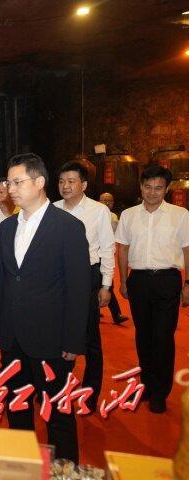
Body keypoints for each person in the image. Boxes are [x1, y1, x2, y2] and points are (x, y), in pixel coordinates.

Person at [0, 153, 90, 463]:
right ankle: (22, 466)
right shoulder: (7, 227)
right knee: (16, 406)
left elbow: (78, 289)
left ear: (39, 182)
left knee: (58, 413)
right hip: (13, 339)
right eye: (9, 183)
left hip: (51, 340)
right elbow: (2, 281)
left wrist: (73, 340)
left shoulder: (68, 227)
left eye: (17, 182)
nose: (10, 189)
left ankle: (64, 470)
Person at [116, 164, 189, 414]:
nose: (152, 192)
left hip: (168, 280)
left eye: (158, 188)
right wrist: (123, 281)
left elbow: (187, 250)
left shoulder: (180, 215)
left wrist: (187, 283)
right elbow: (123, 248)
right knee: (143, 335)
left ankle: (160, 392)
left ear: (167, 189)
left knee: (163, 337)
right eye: (148, 187)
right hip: (139, 281)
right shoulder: (128, 215)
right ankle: (146, 384)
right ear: (141, 187)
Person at [54, 161, 116, 412]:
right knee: (58, 333)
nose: (65, 186)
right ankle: (59, 386)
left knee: (90, 336)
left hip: (87, 275)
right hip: (57, 277)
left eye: (71, 181)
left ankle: (90, 393)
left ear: (84, 185)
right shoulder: (52, 209)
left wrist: (106, 285)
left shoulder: (98, 211)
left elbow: (107, 249)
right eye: (61, 181)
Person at [99, 192, 128, 325]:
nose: (106, 203)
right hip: (93, 256)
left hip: (106, 256)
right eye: (104, 200)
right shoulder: (93, 213)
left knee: (107, 285)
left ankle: (116, 314)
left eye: (109, 201)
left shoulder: (113, 217)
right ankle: (114, 314)